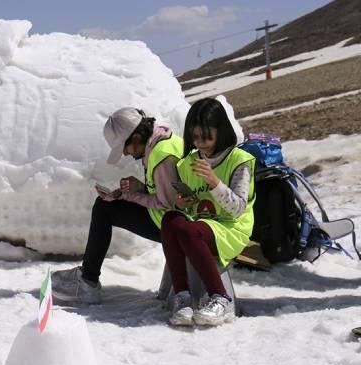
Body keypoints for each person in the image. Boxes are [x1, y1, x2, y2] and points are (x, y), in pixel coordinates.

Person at [52, 107, 183, 304]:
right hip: (172, 218)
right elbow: (168, 191)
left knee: (104, 209)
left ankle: (87, 281)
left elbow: (166, 204)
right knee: (106, 205)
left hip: (171, 224)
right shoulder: (163, 141)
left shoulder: (161, 156)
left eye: (125, 147)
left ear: (137, 137)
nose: (125, 153)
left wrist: (130, 196)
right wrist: (138, 188)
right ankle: (87, 278)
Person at [163, 97, 255, 326]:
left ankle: (220, 297)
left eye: (206, 136)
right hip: (201, 225)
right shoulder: (188, 163)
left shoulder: (239, 160)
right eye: (195, 137)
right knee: (171, 220)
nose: (201, 143)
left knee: (189, 231)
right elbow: (191, 207)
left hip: (230, 228)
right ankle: (183, 297)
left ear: (221, 131)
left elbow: (237, 209)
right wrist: (185, 203)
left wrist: (214, 182)